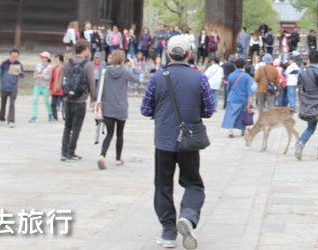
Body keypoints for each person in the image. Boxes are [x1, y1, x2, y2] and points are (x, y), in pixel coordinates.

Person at [140, 34, 215, 249]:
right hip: (189, 139)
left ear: (168, 53)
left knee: (163, 186)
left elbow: (145, 109)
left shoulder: (157, 77)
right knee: (193, 183)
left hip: (163, 139)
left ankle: (168, 232)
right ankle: (188, 216)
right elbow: (209, 110)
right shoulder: (199, 77)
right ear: (190, 54)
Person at [97, 49, 139, 168]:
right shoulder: (125, 72)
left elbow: (99, 88)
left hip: (108, 107)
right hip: (121, 108)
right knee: (120, 134)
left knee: (109, 134)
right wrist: (133, 66)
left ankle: (102, 156)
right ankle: (118, 159)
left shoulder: (105, 72)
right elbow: (136, 79)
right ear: (122, 60)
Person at [61, 39, 96, 161]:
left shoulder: (67, 63)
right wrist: (93, 98)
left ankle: (64, 152)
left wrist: (65, 94)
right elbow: (91, 83)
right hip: (80, 100)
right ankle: (71, 151)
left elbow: (63, 81)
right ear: (85, 50)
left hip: (67, 99)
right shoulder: (87, 65)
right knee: (76, 127)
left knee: (67, 126)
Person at [221, 58, 254, 138]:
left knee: (232, 114)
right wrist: (250, 100)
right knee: (242, 114)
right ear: (244, 66)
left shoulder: (231, 75)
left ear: (235, 66)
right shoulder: (246, 76)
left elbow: (228, 88)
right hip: (243, 98)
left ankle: (231, 130)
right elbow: (249, 90)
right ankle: (242, 129)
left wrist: (229, 94)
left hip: (233, 97)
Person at [0, 49, 25, 127]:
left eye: (15, 57)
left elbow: (23, 75)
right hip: (4, 87)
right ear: (9, 55)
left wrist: (20, 72)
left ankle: (11, 120)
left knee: (12, 104)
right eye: (12, 56)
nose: (14, 58)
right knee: (3, 103)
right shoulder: (4, 64)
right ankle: (1, 118)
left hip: (13, 88)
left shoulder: (18, 64)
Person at [30, 51, 53, 123]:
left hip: (45, 86)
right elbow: (34, 75)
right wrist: (37, 76)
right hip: (37, 85)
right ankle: (34, 115)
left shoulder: (50, 67)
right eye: (41, 57)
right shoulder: (38, 65)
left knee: (46, 101)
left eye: (43, 57)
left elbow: (49, 77)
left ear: (47, 58)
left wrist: (42, 76)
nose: (42, 59)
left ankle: (50, 113)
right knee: (35, 100)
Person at [49, 54, 64, 121]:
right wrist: (50, 89)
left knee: (63, 104)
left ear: (61, 61)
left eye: (57, 60)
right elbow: (52, 79)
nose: (56, 62)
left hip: (61, 90)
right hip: (54, 89)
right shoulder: (54, 69)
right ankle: (55, 116)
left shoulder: (63, 69)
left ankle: (65, 116)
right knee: (53, 104)